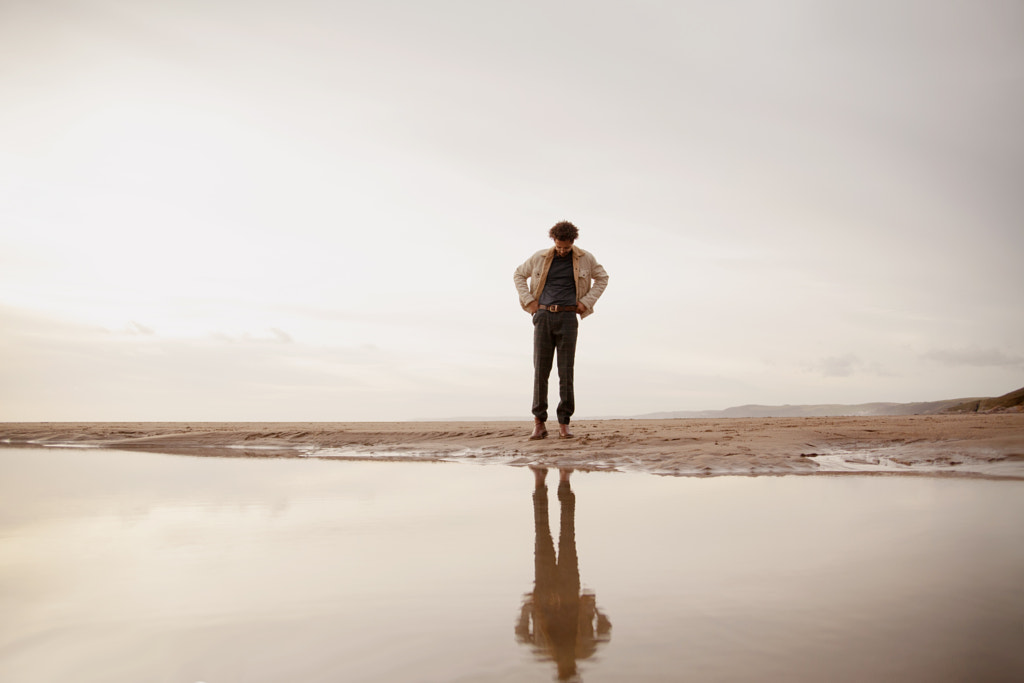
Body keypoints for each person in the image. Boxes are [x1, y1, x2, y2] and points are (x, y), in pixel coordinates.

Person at [513, 221, 609, 440]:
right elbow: (519, 274)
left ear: (572, 242)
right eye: (559, 246)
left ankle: (564, 423)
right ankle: (539, 423)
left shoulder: (586, 258)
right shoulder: (539, 257)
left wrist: (586, 302)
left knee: (566, 372)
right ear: (553, 241)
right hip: (544, 316)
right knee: (541, 371)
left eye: (566, 247)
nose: (562, 250)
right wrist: (529, 302)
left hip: (568, 317)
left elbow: (603, 278)